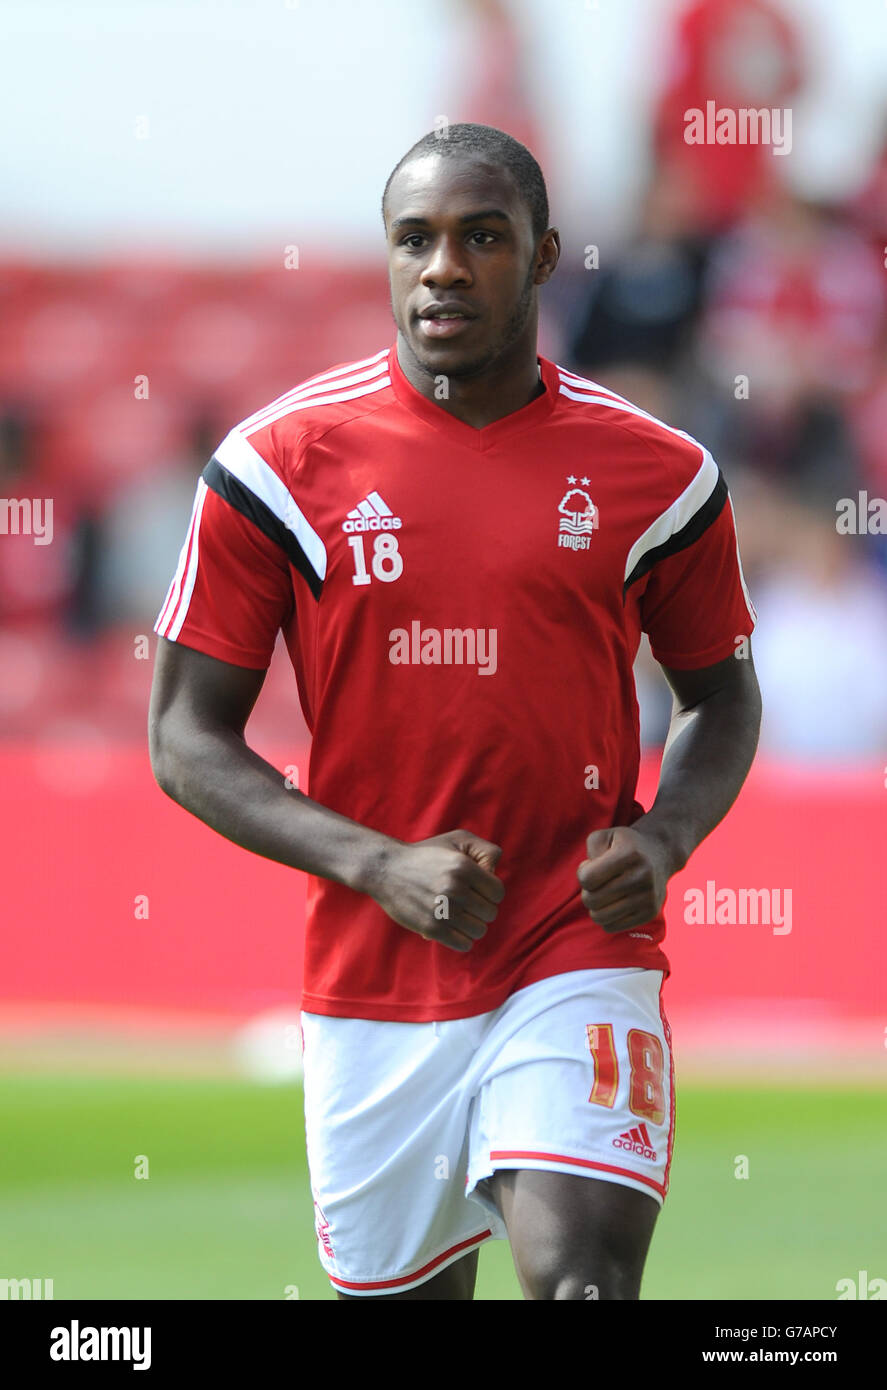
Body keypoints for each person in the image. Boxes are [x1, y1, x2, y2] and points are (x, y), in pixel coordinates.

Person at [148, 124, 762, 1301]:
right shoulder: (275, 464)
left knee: (579, 1280)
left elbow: (720, 699)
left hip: (573, 942)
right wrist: (375, 863)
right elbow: (183, 735)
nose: (443, 267)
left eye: (482, 237)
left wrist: (665, 839)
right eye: (414, 239)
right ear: (385, 259)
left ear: (541, 260)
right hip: (375, 972)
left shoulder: (659, 473)